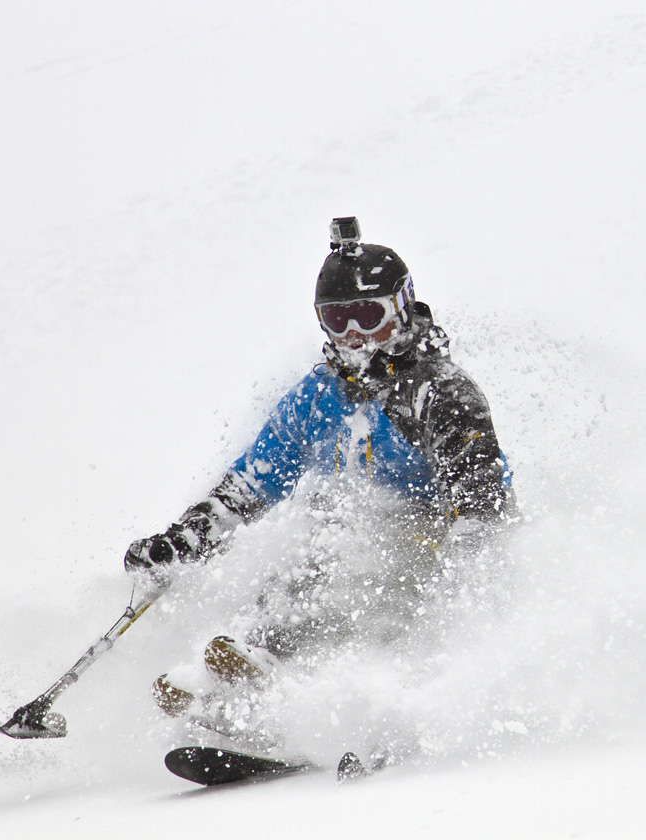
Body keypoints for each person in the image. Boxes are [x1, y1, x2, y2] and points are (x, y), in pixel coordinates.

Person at [123, 217, 515, 771]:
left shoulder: (438, 390)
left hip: (443, 548)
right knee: (319, 539)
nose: (353, 335)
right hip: (358, 543)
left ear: (401, 310)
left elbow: (481, 496)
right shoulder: (317, 395)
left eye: (368, 316)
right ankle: (245, 680)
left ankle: (366, 701)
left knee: (364, 547)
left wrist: (470, 567)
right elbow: (252, 482)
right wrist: (184, 540)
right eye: (338, 319)